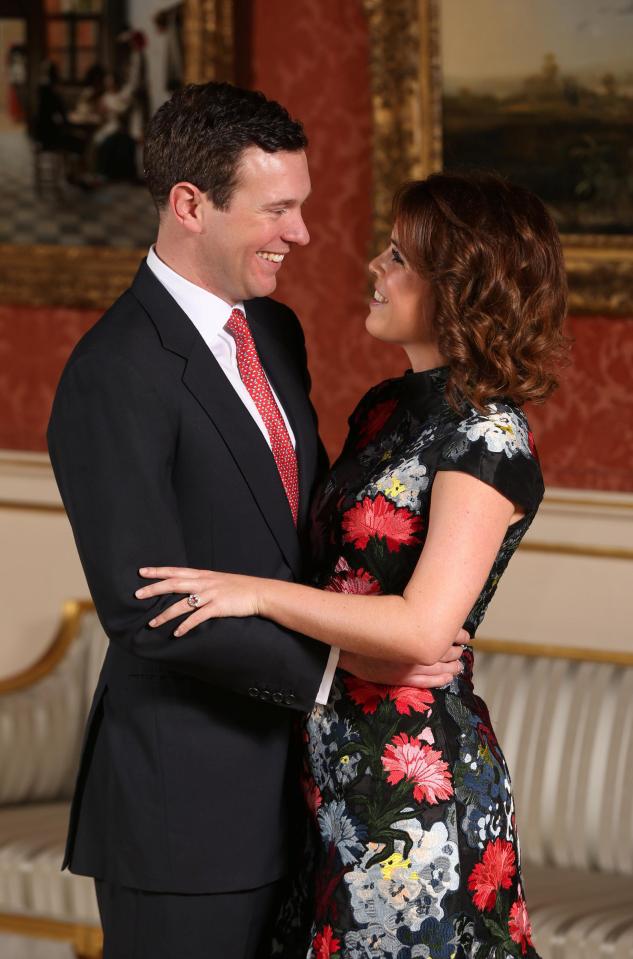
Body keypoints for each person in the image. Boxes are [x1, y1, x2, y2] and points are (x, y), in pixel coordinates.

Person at [47, 83, 464, 959]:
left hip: (312, 800)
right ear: (190, 206)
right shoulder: (113, 371)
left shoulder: (274, 330)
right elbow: (146, 610)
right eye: (278, 209)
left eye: (301, 206)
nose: (302, 234)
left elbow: (298, 536)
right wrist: (349, 661)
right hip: (184, 816)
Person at [136, 171, 570, 957]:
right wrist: (357, 638)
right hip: (318, 761)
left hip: (407, 786)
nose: (374, 265)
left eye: (399, 257)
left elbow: (419, 628)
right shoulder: (385, 405)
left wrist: (257, 597)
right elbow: (352, 590)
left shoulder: (488, 436)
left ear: (457, 289)